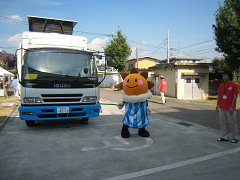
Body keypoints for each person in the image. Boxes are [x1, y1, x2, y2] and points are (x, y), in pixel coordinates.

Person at [216, 70, 239, 143]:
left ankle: (235, 137)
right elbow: (219, 94)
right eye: (223, 75)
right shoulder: (221, 85)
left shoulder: (234, 85)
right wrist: (217, 105)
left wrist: (232, 107)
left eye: (226, 75)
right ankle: (225, 137)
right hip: (222, 107)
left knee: (232, 123)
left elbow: (235, 96)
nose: (224, 77)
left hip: (230, 108)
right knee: (223, 123)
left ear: (229, 76)